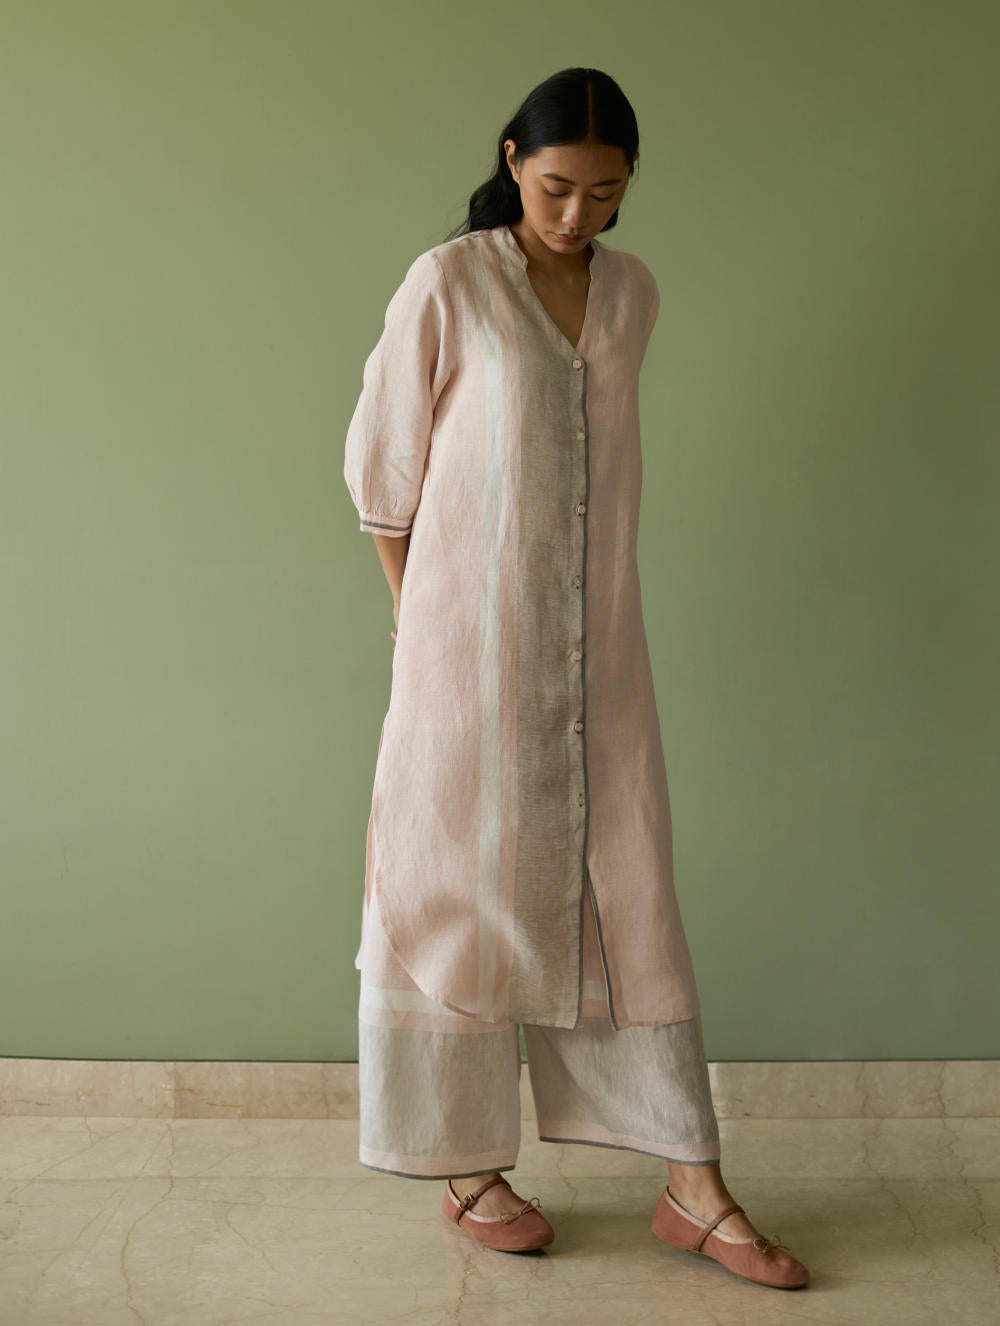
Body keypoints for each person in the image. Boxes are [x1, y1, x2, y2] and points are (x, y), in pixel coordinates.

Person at [343, 67, 810, 1289]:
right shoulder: (447, 284)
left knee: (625, 891)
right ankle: (464, 1166)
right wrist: (416, 629)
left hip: (600, 655)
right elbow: (383, 479)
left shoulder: (632, 293)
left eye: (604, 194)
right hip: (461, 659)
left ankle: (691, 1182)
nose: (574, 215)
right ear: (512, 160)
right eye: (555, 187)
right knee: (455, 888)